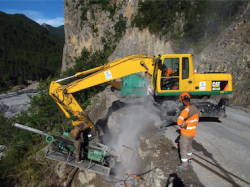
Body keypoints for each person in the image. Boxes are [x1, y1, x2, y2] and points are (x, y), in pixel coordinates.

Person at [176, 92, 199, 171]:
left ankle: (184, 165)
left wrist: (185, 126)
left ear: (184, 100)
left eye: (182, 100)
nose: (182, 102)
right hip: (193, 133)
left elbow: (179, 122)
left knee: (183, 148)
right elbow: (196, 120)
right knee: (189, 146)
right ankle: (190, 159)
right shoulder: (195, 108)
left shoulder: (185, 111)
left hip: (186, 133)